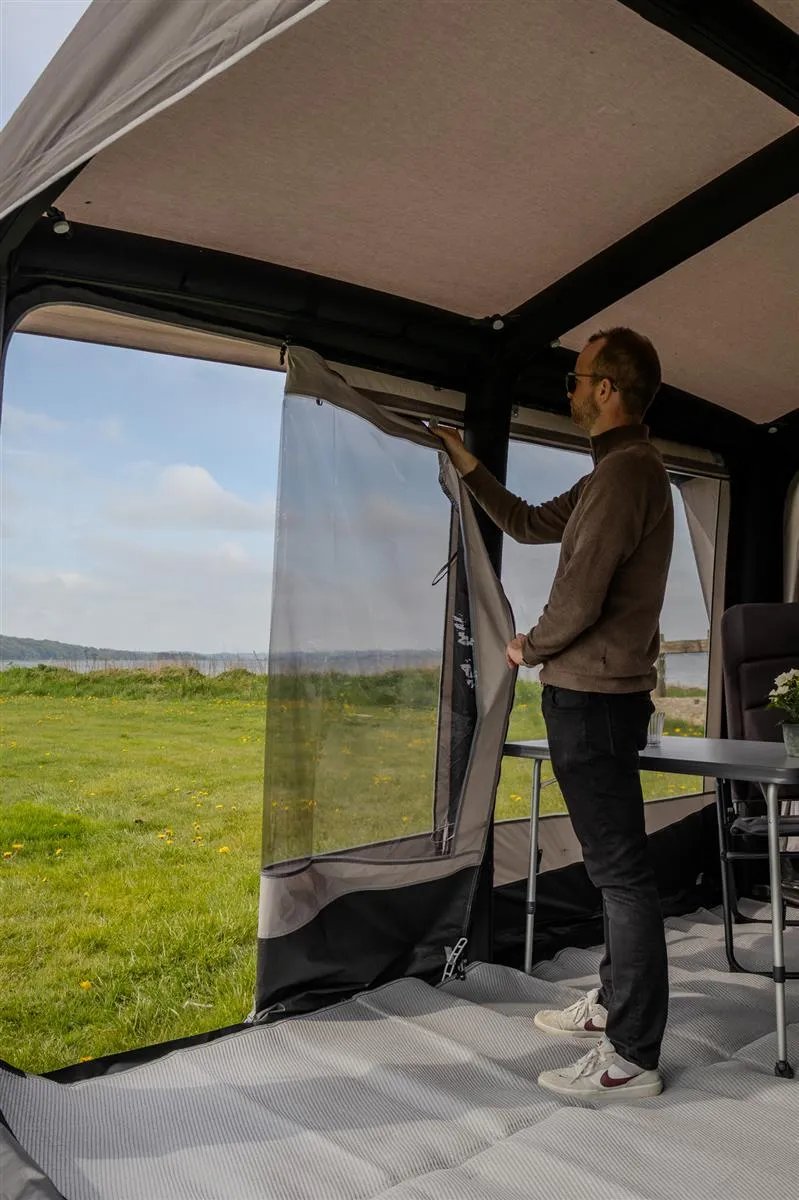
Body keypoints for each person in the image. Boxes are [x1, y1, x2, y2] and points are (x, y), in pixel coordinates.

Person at [436, 327, 673, 1102]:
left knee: (621, 877)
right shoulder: (616, 471)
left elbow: (580, 595)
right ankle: (611, 1002)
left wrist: (525, 646)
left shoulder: (626, 475)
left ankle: (629, 1057)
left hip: (593, 701)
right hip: (599, 699)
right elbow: (530, 523)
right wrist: (468, 465)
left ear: (606, 388)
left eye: (575, 377)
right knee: (615, 870)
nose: (566, 388)